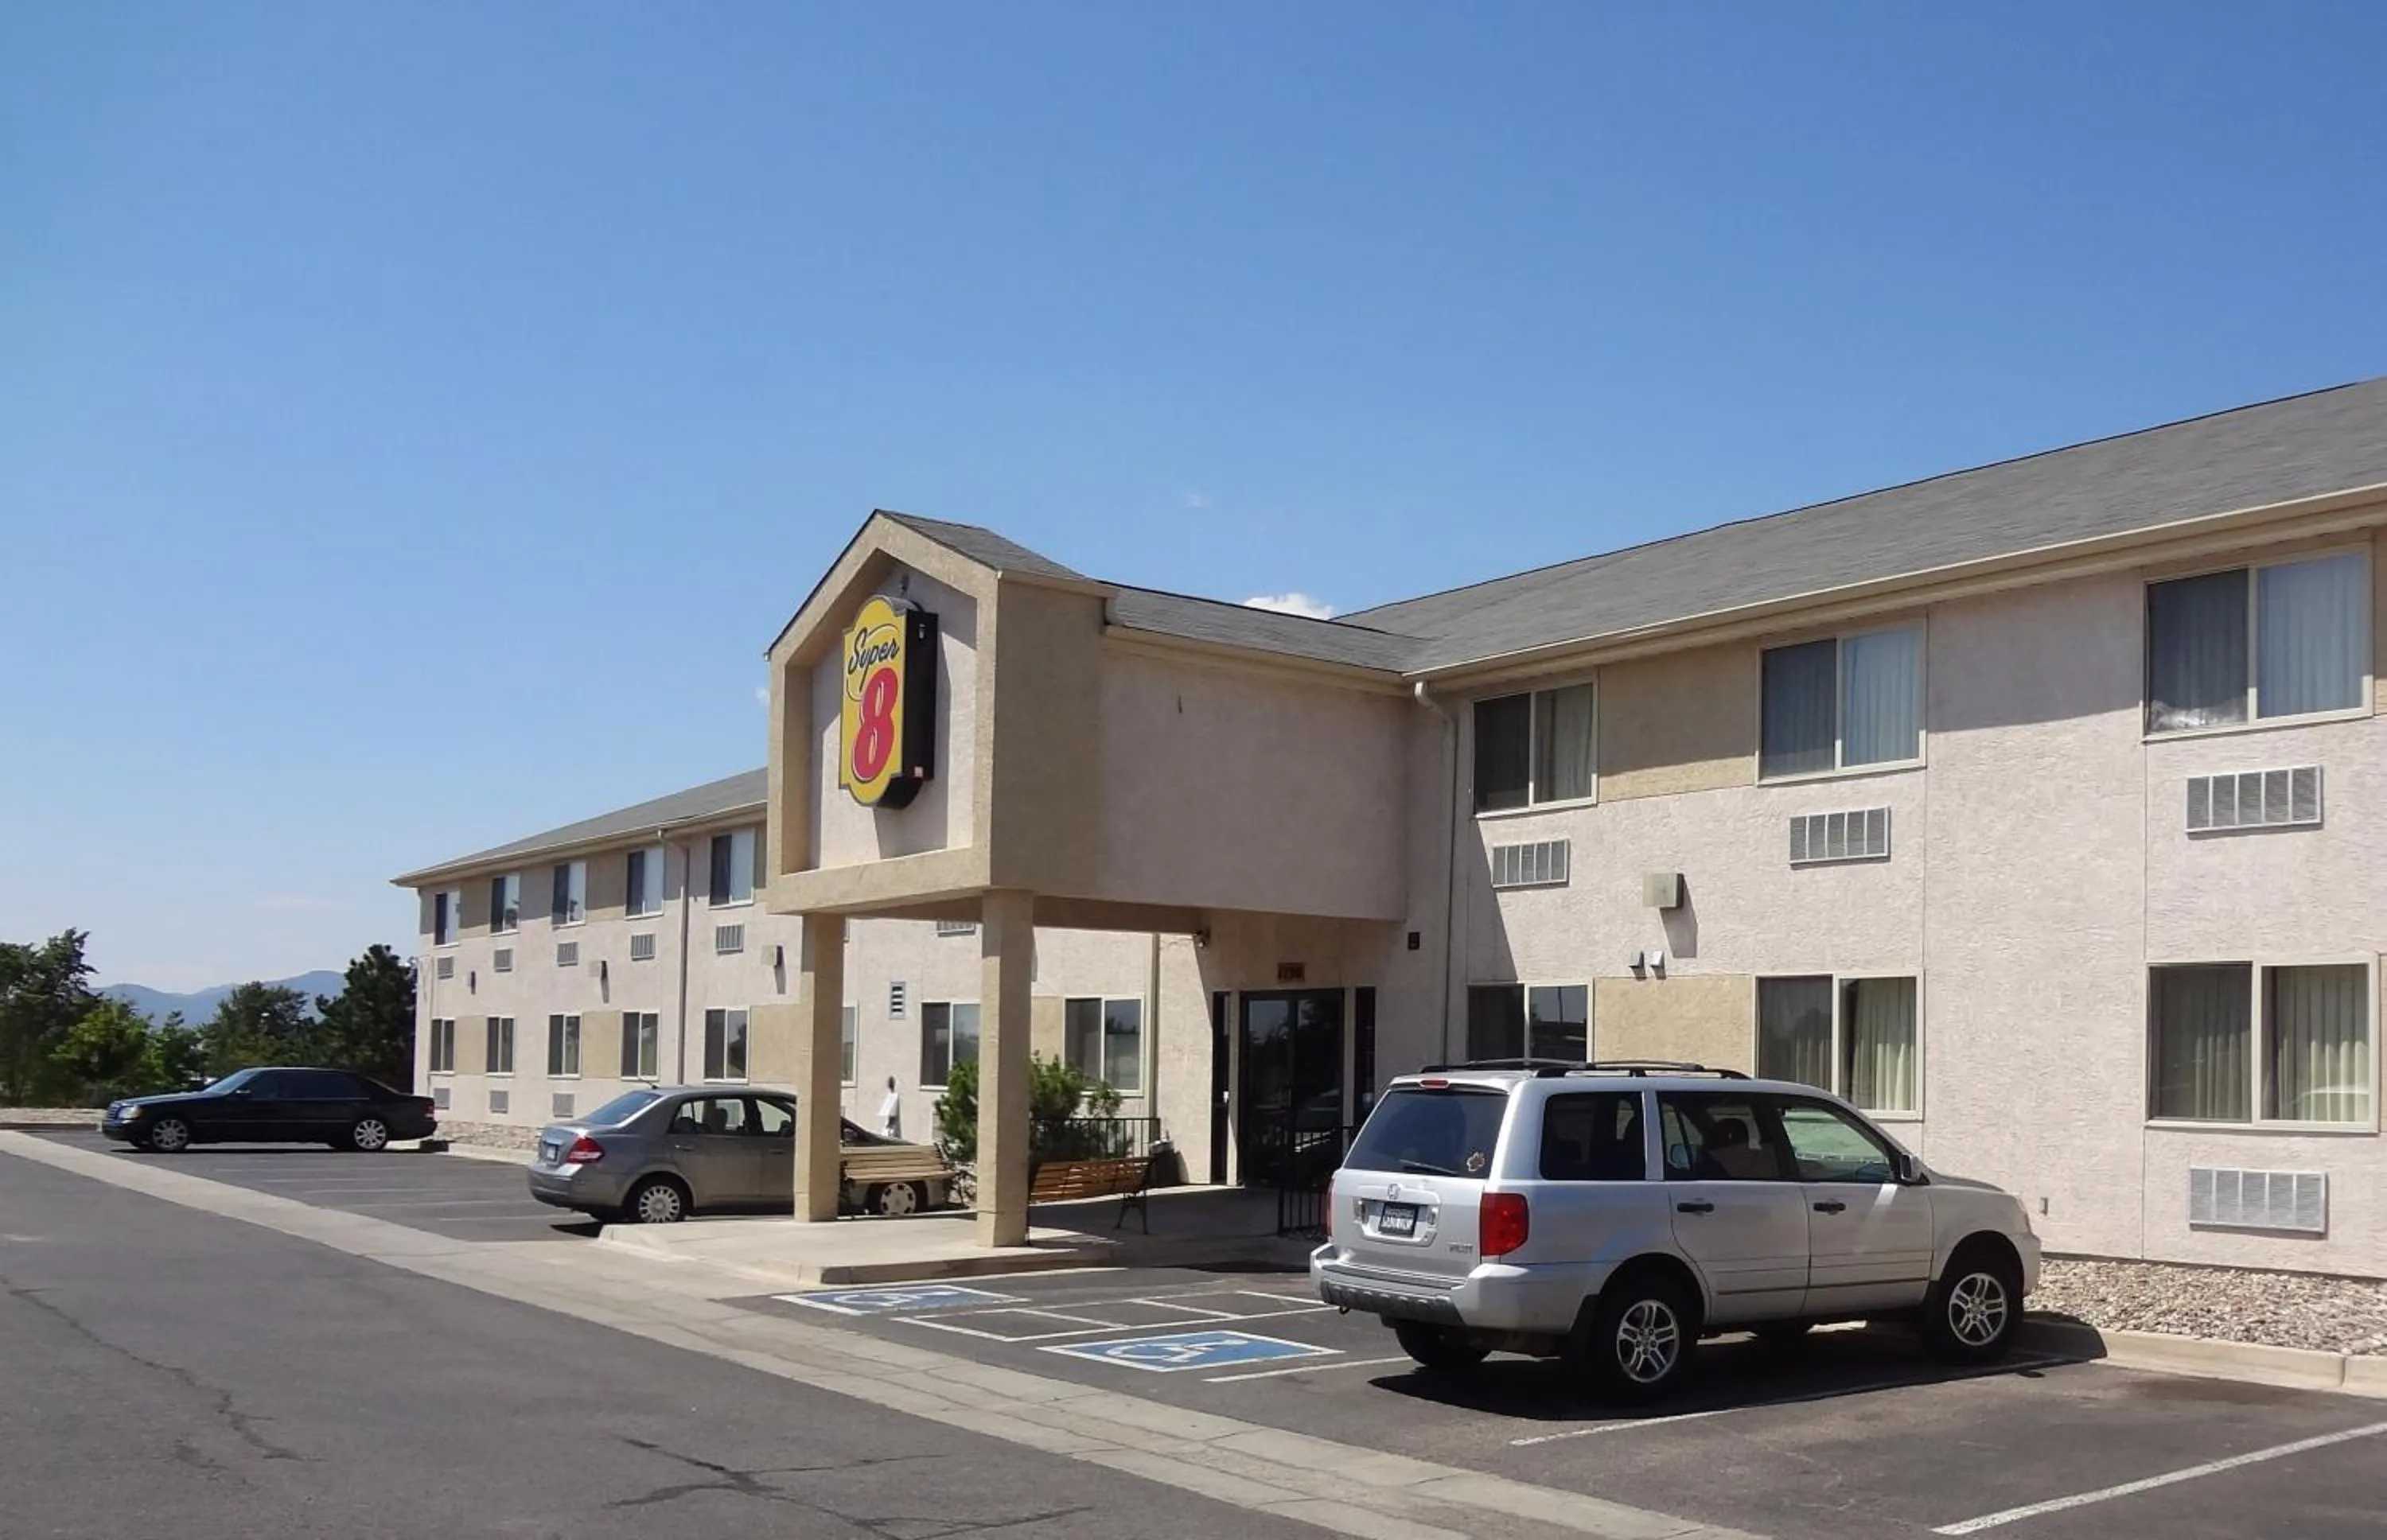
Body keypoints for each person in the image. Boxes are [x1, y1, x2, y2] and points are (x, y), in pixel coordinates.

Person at [878, 1075, 902, 1140]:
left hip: (892, 1125)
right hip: (890, 1124)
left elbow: (892, 1113)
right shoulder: (891, 1095)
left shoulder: (894, 1095)